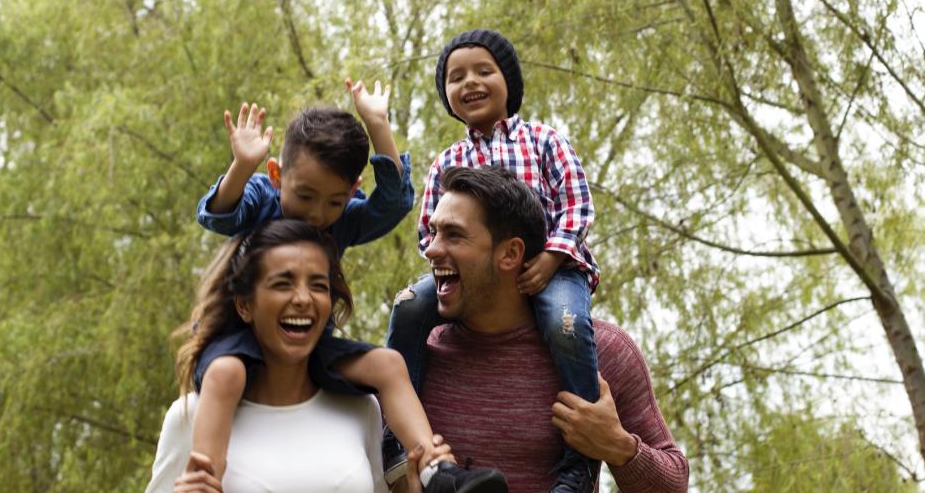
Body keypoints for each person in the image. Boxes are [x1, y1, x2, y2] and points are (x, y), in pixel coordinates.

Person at [191, 80, 504, 491]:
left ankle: (436, 472)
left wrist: (378, 126)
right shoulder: (262, 198)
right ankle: (203, 480)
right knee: (226, 373)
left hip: (309, 345)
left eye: (334, 202)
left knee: (388, 364)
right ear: (277, 175)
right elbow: (218, 216)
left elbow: (392, 205)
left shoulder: (341, 220)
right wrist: (242, 167)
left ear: (352, 191)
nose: (317, 214)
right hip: (239, 340)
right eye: (305, 196)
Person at [386, 29, 602, 492]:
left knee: (566, 324)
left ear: (510, 82)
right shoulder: (448, 161)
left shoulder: (543, 140)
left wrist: (552, 255)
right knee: (408, 305)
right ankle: (396, 436)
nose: (470, 82)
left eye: (484, 71)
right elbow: (428, 232)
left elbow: (577, 205)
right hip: (470, 270)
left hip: (554, 267)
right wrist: (446, 257)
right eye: (456, 77)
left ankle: (580, 460)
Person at [392, 166, 689, 492]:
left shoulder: (604, 351)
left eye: (453, 235)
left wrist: (618, 446)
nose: (431, 249)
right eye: (433, 232)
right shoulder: (414, 359)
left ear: (510, 253)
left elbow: (674, 485)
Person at [147, 220, 489, 493]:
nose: (303, 299)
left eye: (318, 285)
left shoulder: (361, 408)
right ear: (245, 305)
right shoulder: (191, 416)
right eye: (283, 283)